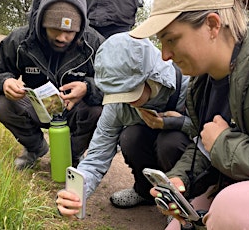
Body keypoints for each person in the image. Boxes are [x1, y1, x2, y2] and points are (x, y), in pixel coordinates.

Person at [129, 0, 249, 229]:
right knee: (177, 226)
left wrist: (227, 146)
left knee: (233, 209)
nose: (164, 55)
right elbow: (206, 143)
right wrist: (180, 179)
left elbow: (219, 143)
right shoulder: (203, 83)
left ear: (212, 25)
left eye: (171, 39)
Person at [56, 32, 193, 215]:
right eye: (117, 94)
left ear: (152, 79)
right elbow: (97, 155)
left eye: (129, 93)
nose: (125, 101)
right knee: (130, 137)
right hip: (146, 140)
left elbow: (208, 136)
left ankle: (182, 203)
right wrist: (78, 191)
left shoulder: (188, 82)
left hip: (181, 149)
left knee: (170, 143)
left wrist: (176, 123)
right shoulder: (117, 104)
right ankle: (144, 192)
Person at [0, 0, 105, 170]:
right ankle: (35, 148)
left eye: (69, 32)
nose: (61, 38)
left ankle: (72, 156)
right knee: (2, 104)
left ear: (79, 29)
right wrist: (3, 82)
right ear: (42, 24)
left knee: (97, 111)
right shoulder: (20, 40)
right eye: (55, 29)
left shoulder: (95, 44)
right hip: (36, 108)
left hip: (74, 110)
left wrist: (88, 88)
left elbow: (115, 86)